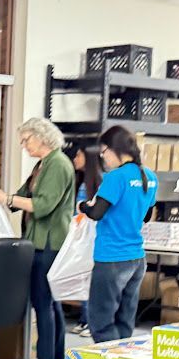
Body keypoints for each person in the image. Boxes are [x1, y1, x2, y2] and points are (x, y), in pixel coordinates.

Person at [0, 118, 74, 359]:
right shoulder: (42, 165)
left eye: (26, 140)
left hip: (49, 243)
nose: (23, 145)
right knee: (49, 301)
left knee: (43, 300)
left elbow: (43, 205)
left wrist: (8, 199)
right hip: (39, 240)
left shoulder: (57, 165)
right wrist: (0, 196)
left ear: (42, 137)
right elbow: (21, 196)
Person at [79, 126, 157, 343]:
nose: (103, 158)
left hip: (112, 257)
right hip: (136, 258)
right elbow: (147, 216)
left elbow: (96, 213)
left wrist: (83, 206)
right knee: (125, 319)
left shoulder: (115, 178)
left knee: (101, 320)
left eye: (104, 152)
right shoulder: (150, 177)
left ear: (115, 150)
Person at [67, 144, 104, 338]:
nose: (75, 158)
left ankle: (91, 321)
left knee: (90, 280)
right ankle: (84, 319)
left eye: (79, 155)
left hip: (92, 239)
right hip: (81, 236)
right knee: (83, 278)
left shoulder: (99, 181)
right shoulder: (83, 181)